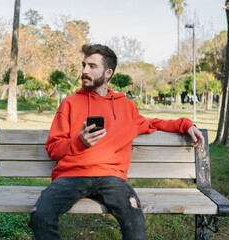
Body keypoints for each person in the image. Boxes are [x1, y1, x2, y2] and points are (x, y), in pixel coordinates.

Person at [28, 44, 205, 240]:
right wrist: (79, 142)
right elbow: (53, 149)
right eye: (84, 65)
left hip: (111, 178)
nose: (85, 71)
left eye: (92, 66)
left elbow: (154, 123)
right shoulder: (69, 103)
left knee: (134, 219)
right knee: (40, 217)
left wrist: (186, 125)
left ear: (108, 73)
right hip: (71, 176)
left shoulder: (125, 107)